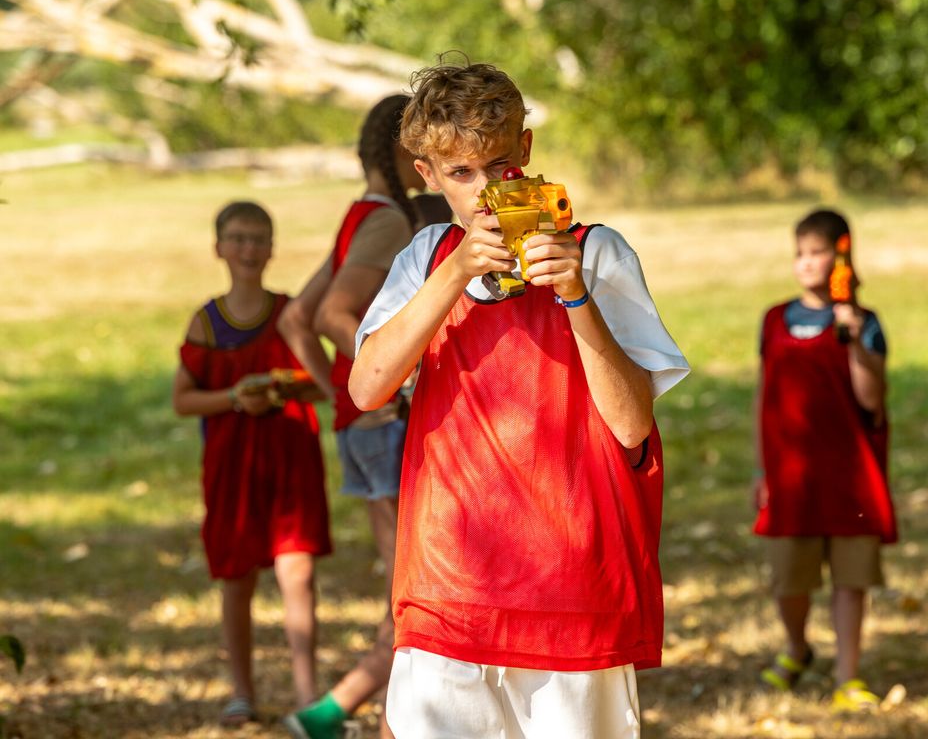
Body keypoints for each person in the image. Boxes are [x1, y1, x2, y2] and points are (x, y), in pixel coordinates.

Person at [348, 60, 689, 739]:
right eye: (460, 174)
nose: (481, 192)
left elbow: (630, 423)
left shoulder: (596, 253)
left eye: (497, 166)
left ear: (526, 152)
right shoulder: (426, 256)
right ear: (428, 174)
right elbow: (367, 387)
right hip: (446, 587)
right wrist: (454, 272)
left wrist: (575, 299)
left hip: (571, 588)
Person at [280, 94, 451, 739]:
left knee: (409, 582)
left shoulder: (363, 214)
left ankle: (340, 712)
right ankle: (341, 715)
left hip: (362, 422)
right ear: (408, 149)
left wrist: (335, 394)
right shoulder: (387, 222)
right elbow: (329, 316)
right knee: (415, 586)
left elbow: (295, 317)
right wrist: (397, 375)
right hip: (386, 421)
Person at [171, 200, 331, 727]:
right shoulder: (208, 321)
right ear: (219, 247)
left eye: (259, 238)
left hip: (289, 456)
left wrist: (283, 389)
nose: (249, 248)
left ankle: (308, 692)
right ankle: (242, 691)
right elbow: (184, 399)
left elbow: (323, 385)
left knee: (297, 572)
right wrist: (237, 398)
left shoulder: (290, 314)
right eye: (238, 238)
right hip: (232, 462)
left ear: (272, 248)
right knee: (237, 578)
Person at [752, 208, 894, 712]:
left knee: (851, 580)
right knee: (789, 579)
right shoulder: (774, 319)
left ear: (842, 258)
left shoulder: (865, 323)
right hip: (790, 474)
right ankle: (797, 648)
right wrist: (760, 469)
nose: (807, 263)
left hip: (851, 474)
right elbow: (763, 395)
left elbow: (872, 400)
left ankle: (847, 676)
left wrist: (854, 336)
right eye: (800, 253)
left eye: (818, 253)